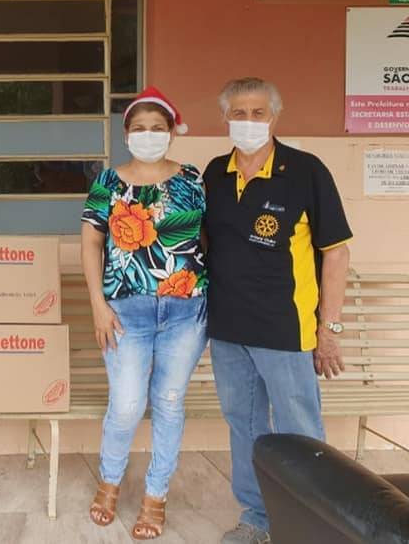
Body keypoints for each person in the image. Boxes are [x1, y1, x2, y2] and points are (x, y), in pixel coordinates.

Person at [203, 77, 352, 544]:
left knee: (299, 432)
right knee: (244, 426)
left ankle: (314, 525)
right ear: (225, 118)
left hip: (285, 329)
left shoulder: (306, 171)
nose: (248, 121)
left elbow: (336, 252)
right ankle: (257, 518)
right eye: (238, 113)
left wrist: (328, 329)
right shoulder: (215, 173)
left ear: (274, 117)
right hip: (228, 330)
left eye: (257, 113)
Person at [81, 86, 208, 540]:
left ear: (172, 132)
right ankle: (110, 482)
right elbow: (91, 243)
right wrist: (98, 306)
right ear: (126, 133)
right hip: (125, 312)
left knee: (169, 402)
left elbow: (207, 239)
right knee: (128, 405)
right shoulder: (108, 182)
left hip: (186, 310)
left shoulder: (192, 179)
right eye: (140, 128)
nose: (149, 135)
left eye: (157, 128)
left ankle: (156, 495)